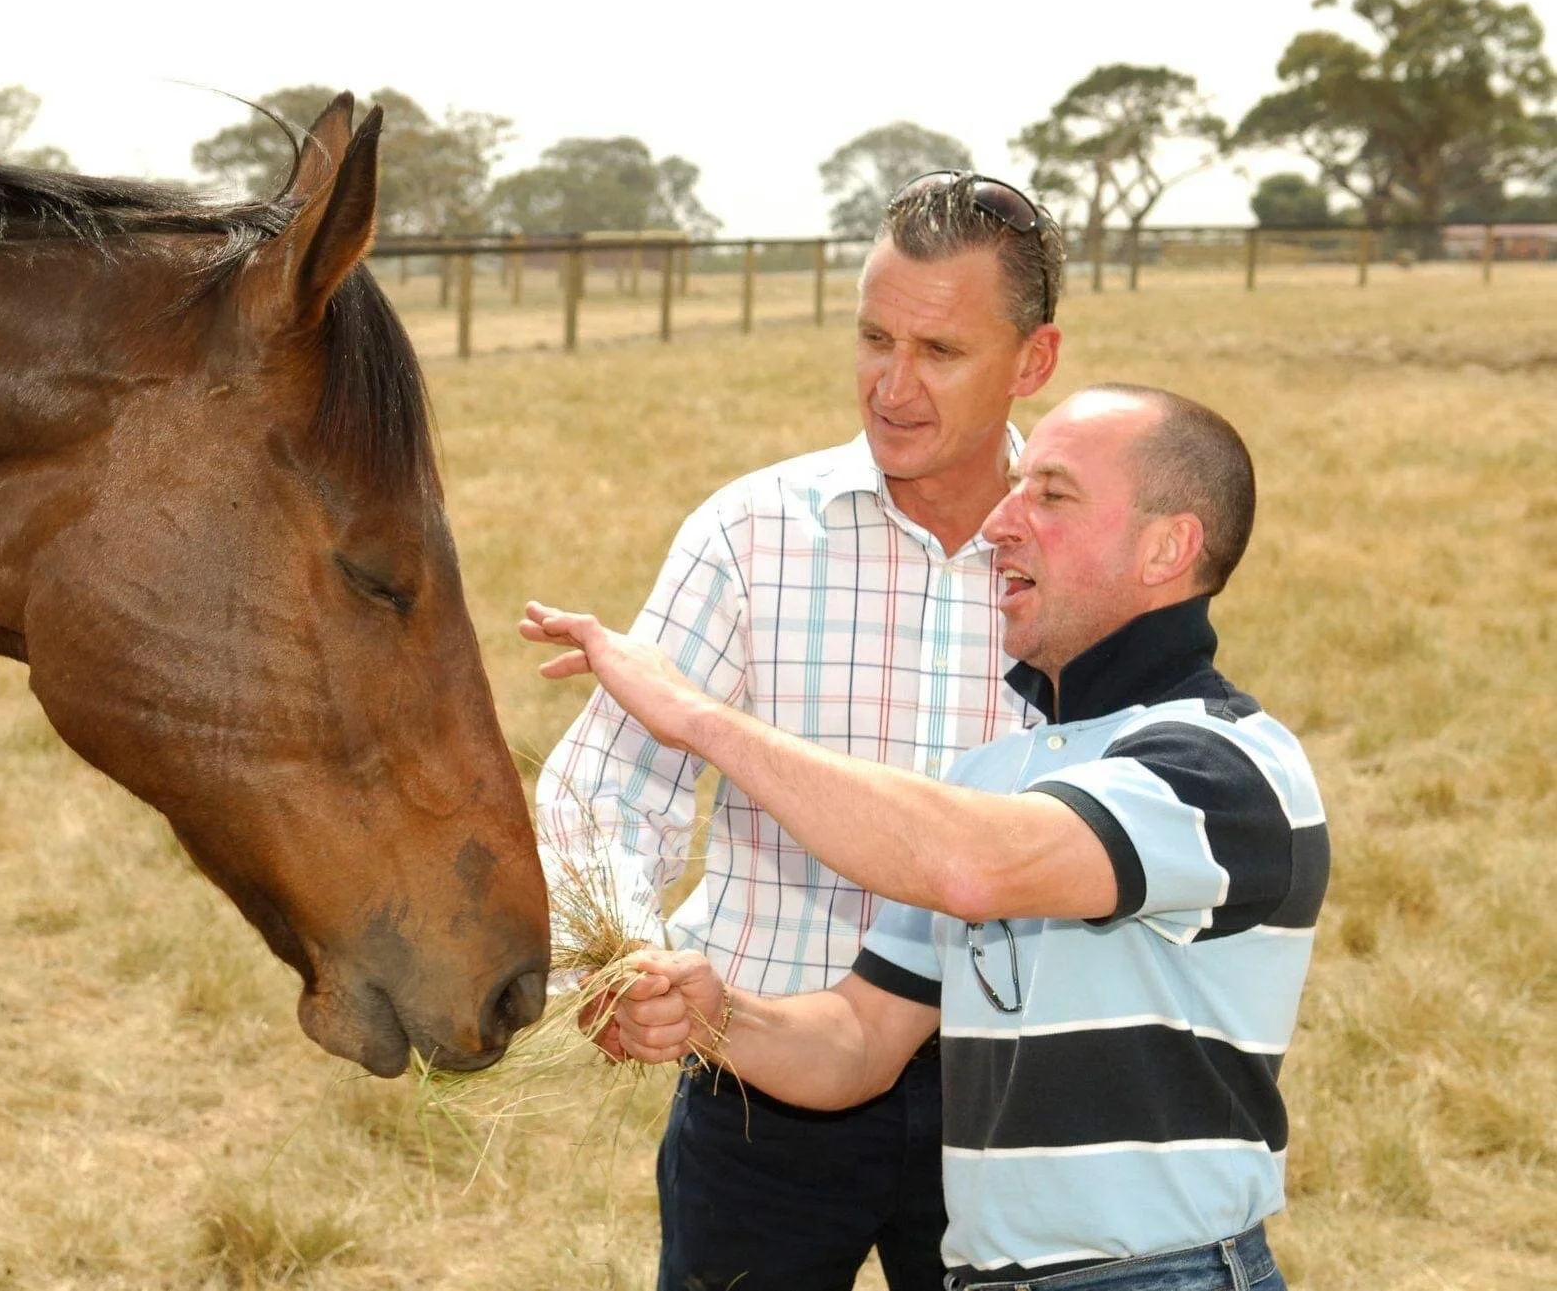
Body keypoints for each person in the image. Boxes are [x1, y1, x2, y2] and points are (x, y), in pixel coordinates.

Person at [523, 384, 1326, 1291]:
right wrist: (714, 1014)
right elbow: (857, 1043)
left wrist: (696, 717)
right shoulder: (994, 778)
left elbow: (971, 867)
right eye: (1016, 486)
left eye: (1051, 495)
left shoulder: (1224, 768)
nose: (1003, 522)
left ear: (1167, 547)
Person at [532, 172, 1064, 1291]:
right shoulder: (747, 531)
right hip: (756, 1076)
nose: (892, 384)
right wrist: (632, 958)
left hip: (1016, 1099)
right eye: (874, 337)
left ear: (1033, 361)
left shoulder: (1074, 556)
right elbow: (603, 783)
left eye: (939, 350)